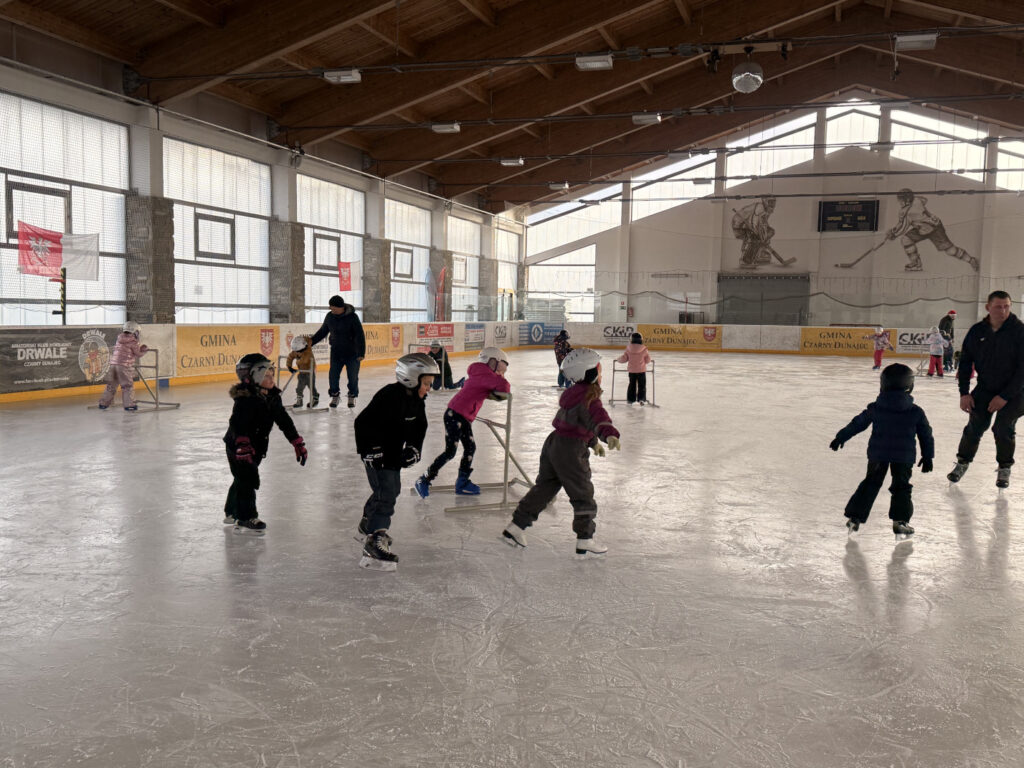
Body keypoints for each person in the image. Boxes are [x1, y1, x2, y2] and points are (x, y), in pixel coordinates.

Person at [502, 348, 621, 557]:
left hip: (554, 444)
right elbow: (597, 417)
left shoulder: (571, 395)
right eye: (599, 370)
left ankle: (515, 527)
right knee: (583, 493)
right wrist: (609, 434)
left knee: (545, 489)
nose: (601, 374)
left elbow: (576, 421)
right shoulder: (590, 397)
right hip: (571, 450)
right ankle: (585, 539)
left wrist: (593, 442)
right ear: (590, 373)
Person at [354, 353, 439, 571]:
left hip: (393, 455)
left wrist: (414, 448)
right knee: (387, 494)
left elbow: (420, 427)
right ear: (412, 378)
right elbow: (362, 422)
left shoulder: (417, 401)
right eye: (427, 383)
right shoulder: (389, 396)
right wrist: (370, 450)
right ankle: (375, 539)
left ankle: (367, 522)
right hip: (376, 455)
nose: (429, 388)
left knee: (390, 489)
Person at [830, 363, 934, 540]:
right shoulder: (915, 411)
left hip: (878, 455)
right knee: (901, 487)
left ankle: (855, 517)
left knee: (871, 483)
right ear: (909, 384)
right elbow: (926, 434)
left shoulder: (876, 408)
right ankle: (900, 522)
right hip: (904, 456)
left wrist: (841, 437)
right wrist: (928, 456)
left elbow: (858, 423)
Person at [223, 353, 308, 535]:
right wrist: (242, 444)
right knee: (247, 479)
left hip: (257, 447)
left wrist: (296, 442)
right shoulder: (245, 399)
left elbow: (283, 420)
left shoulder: (272, 397)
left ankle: (231, 511)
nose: (272, 379)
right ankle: (246, 517)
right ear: (254, 378)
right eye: (267, 376)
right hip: (238, 447)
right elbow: (237, 423)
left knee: (241, 478)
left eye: (272, 374)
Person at [947, 291, 1024, 489]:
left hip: (1016, 391)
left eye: (1007, 306)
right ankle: (962, 462)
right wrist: (964, 393)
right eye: (999, 306)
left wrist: (1004, 396)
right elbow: (965, 363)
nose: (1003, 310)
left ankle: (1004, 467)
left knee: (1003, 427)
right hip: (986, 388)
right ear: (988, 307)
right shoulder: (977, 331)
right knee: (975, 425)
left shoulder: (1019, 331)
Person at [415, 347, 512, 499]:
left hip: (460, 415)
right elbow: (505, 388)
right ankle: (424, 479)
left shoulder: (481, 373)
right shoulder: (485, 375)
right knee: (451, 452)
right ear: (493, 362)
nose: (502, 371)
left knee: (470, 447)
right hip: (456, 415)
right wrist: (500, 377)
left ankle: (462, 482)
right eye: (501, 366)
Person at [887, 189, 978, 272]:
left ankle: (971, 260)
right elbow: (924, 200)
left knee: (950, 250)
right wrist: (894, 229)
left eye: (900, 200)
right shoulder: (917, 200)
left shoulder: (908, 212)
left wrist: (894, 234)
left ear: (906, 200)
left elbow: (903, 227)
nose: (899, 202)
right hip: (923, 228)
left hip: (934, 229)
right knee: (906, 239)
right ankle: (916, 264)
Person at [310, 294, 366, 409]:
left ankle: (352, 395)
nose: (332, 310)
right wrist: (311, 342)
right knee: (333, 376)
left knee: (353, 377)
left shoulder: (353, 317)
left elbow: (359, 335)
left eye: (334, 308)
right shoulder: (330, 317)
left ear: (341, 307)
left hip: (352, 353)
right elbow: (322, 332)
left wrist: (361, 353)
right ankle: (335, 395)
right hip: (336, 352)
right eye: (331, 308)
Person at [98, 321, 149, 411]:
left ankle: (103, 403)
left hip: (113, 365)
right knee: (127, 386)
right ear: (135, 331)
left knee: (111, 385)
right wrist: (144, 349)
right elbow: (138, 353)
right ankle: (129, 405)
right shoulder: (133, 341)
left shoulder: (119, 338)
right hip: (124, 366)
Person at [617, 331, 652, 405]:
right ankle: (641, 399)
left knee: (632, 385)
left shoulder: (628, 348)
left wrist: (618, 359)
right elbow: (648, 360)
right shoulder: (644, 349)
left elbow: (624, 358)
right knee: (642, 385)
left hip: (632, 371)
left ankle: (630, 399)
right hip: (641, 370)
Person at [285, 334, 319, 409]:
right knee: (299, 388)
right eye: (296, 351)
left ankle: (315, 397)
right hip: (302, 373)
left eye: (298, 351)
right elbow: (290, 357)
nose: (297, 352)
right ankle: (299, 401)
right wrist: (289, 366)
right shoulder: (296, 351)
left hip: (309, 373)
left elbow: (304, 361)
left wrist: (297, 361)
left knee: (311, 387)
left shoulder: (308, 352)